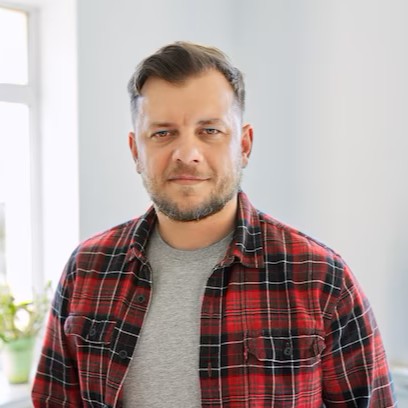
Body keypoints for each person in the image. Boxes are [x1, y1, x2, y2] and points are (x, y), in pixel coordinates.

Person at [32, 42, 396, 407]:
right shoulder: (87, 268)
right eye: (162, 133)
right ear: (135, 151)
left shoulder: (321, 277)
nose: (187, 154)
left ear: (244, 145)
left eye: (209, 131)